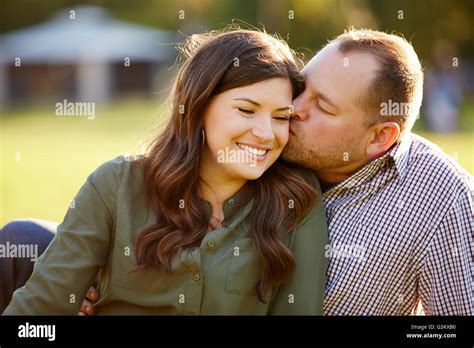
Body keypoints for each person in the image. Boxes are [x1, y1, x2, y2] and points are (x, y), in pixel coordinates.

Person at [2, 29, 328, 315]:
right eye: (246, 110)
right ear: (199, 107)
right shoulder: (116, 185)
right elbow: (40, 308)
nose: (265, 133)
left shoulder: (297, 202)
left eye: (281, 117)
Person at [282, 29, 473, 315]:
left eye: (322, 105)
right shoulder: (262, 146)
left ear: (380, 137)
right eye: (299, 88)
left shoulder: (442, 196)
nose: (293, 108)